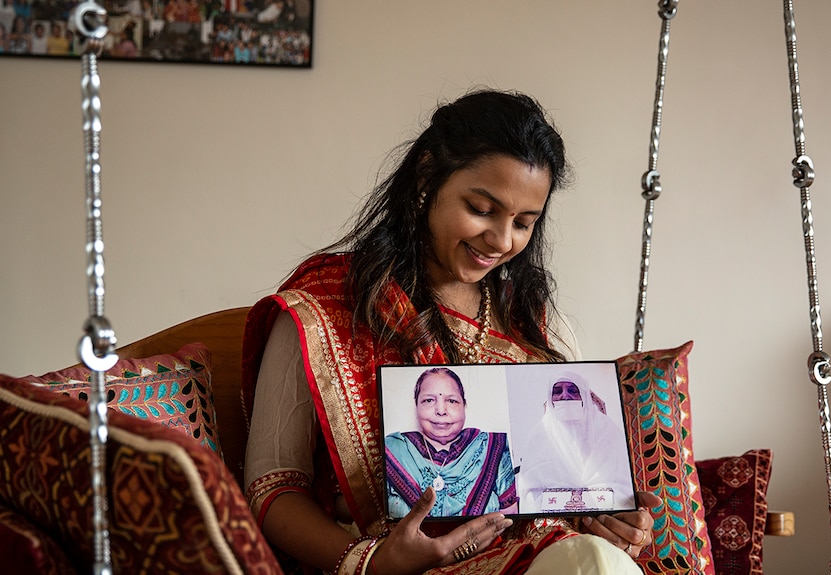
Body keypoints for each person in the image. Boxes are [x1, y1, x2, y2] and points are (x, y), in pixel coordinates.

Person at [242, 89, 662, 575]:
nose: (503, 241)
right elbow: (273, 490)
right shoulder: (327, 305)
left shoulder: (536, 322)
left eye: (524, 223)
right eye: (482, 209)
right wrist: (371, 563)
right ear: (427, 177)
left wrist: (606, 518)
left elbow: (565, 486)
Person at [385, 367, 517, 519]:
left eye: (452, 401)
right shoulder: (392, 451)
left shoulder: (493, 448)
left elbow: (510, 518)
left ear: (464, 406)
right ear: (417, 406)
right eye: (428, 400)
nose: (441, 410)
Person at [517, 372, 635, 515]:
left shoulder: (608, 430)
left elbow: (624, 483)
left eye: (573, 390)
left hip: (604, 514)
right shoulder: (538, 435)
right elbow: (529, 490)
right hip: (553, 519)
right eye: (557, 391)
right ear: (550, 398)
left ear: (584, 395)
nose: (565, 396)